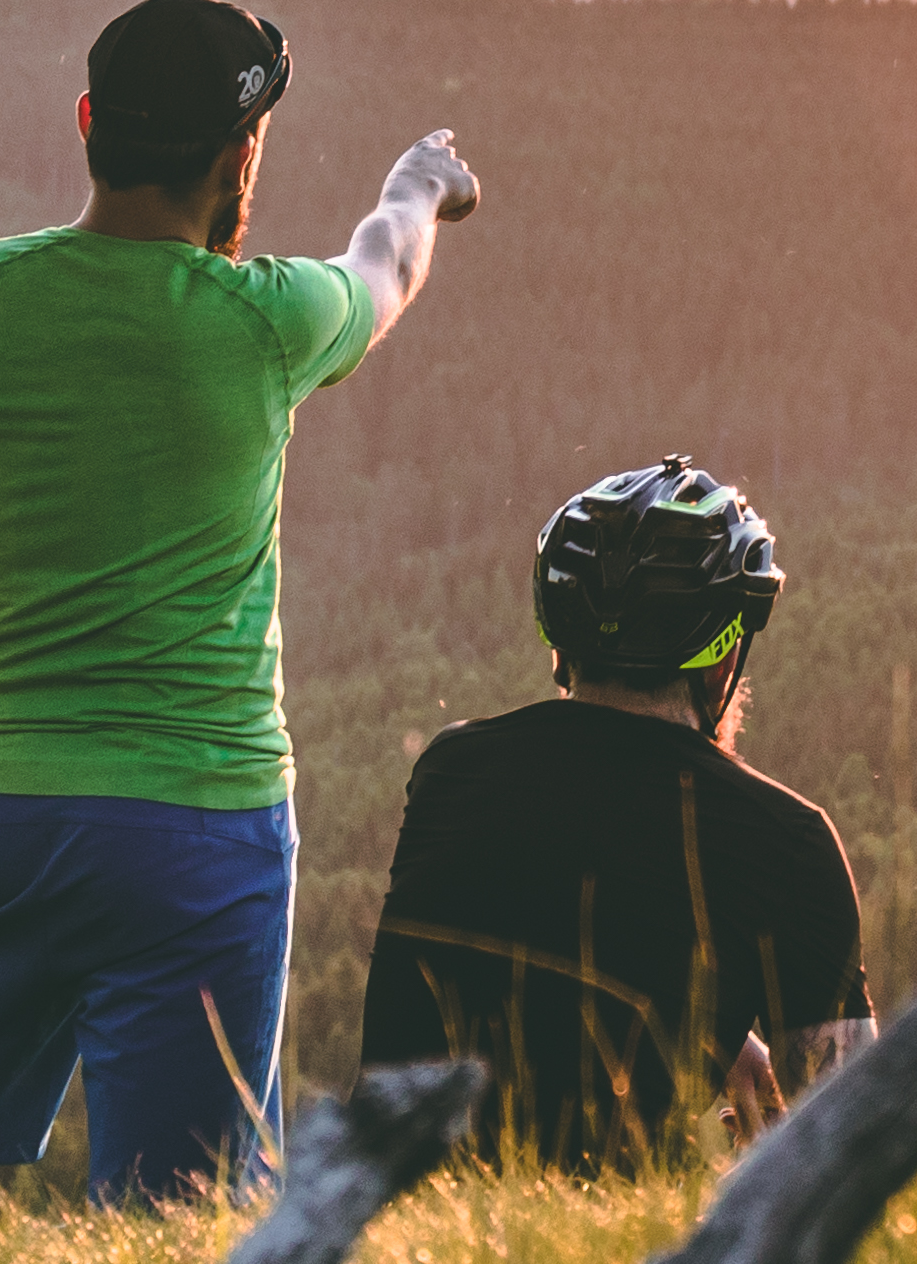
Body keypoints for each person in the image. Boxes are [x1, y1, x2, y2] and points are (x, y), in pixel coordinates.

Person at [0, 0, 479, 1201]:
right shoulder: (267, 322)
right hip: (206, 830)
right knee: (178, 1232)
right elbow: (388, 260)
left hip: (5, 820)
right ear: (240, 154)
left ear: (89, 121)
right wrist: (420, 182)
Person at [361, 460, 876, 1171]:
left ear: (561, 648)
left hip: (377, 1224)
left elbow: (559, 935)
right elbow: (852, 1142)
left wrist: (718, 1036)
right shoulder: (788, 843)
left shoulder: (451, 771)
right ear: (723, 662)